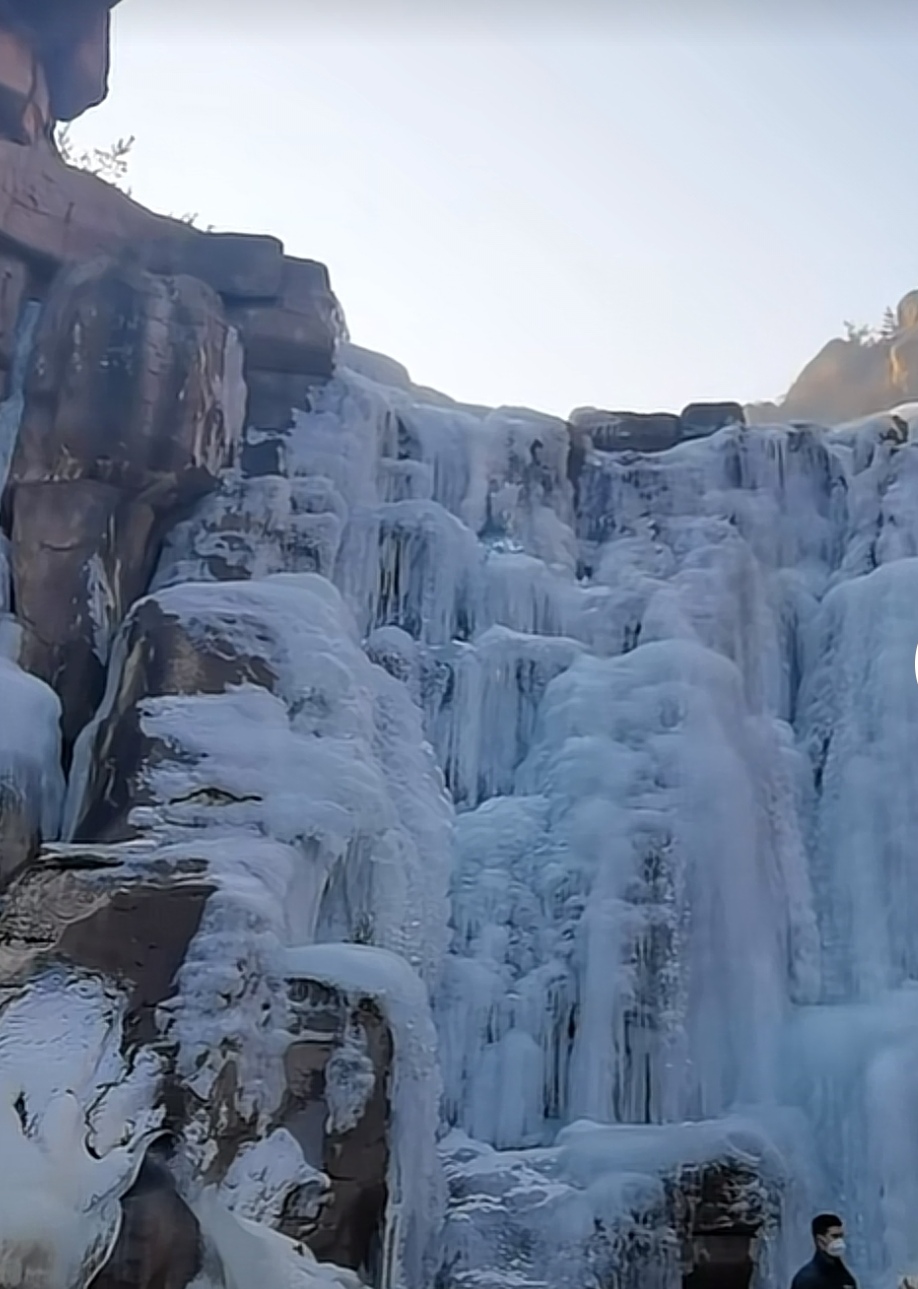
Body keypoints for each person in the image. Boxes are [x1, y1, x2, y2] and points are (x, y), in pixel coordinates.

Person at [791, 1214, 857, 1289]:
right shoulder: (807, 1280)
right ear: (820, 1241)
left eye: (841, 1236)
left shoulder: (846, 1277)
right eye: (834, 1236)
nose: (839, 1241)